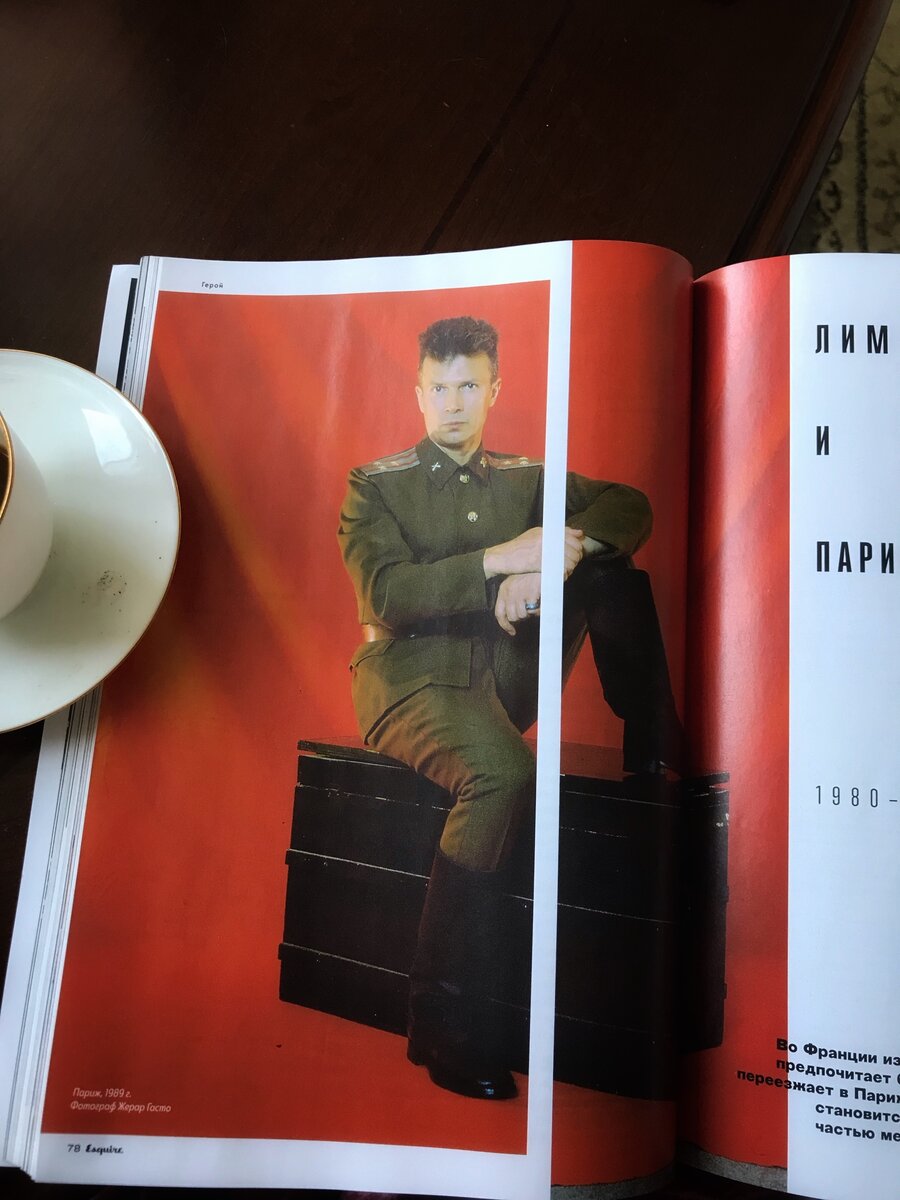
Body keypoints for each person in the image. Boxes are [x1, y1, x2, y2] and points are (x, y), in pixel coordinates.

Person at [338, 316, 681, 1101]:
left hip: (507, 670)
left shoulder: (525, 476)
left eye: (469, 385)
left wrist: (553, 556)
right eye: (440, 388)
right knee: (502, 773)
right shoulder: (376, 484)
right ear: (418, 393)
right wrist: (503, 559)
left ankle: (654, 734)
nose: (454, 403)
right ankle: (439, 1021)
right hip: (412, 679)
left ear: (495, 389)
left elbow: (628, 504)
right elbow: (386, 592)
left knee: (608, 566)